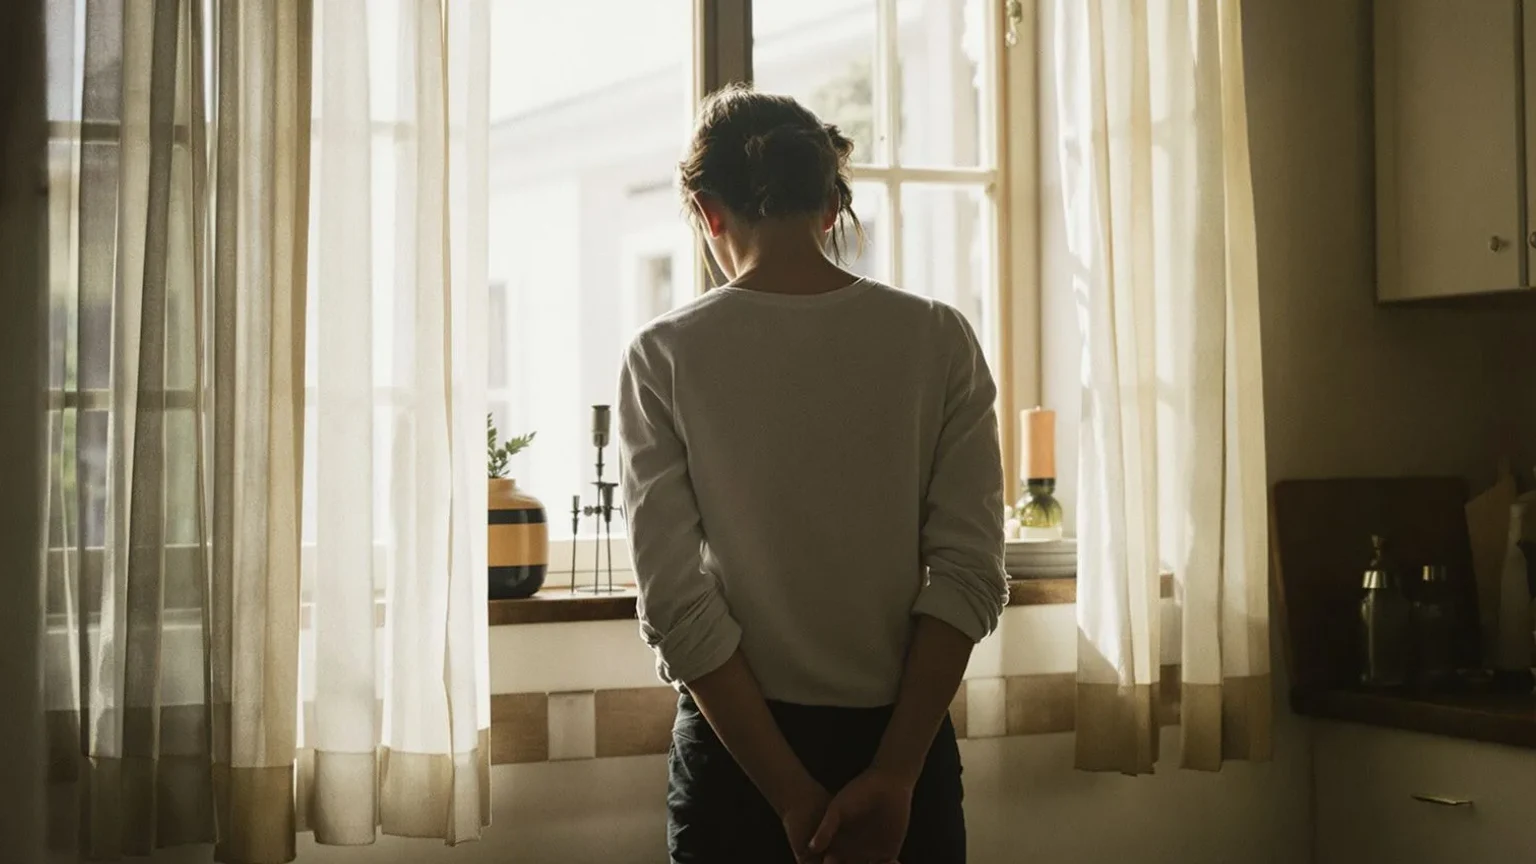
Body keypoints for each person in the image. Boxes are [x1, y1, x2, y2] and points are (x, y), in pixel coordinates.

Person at [617, 84, 1009, 864]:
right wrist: (895, 775)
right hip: (903, 746)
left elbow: (678, 607)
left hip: (739, 765)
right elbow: (968, 574)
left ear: (706, 211)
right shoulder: (939, 340)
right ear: (831, 207)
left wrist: (794, 798)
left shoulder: (662, 355)